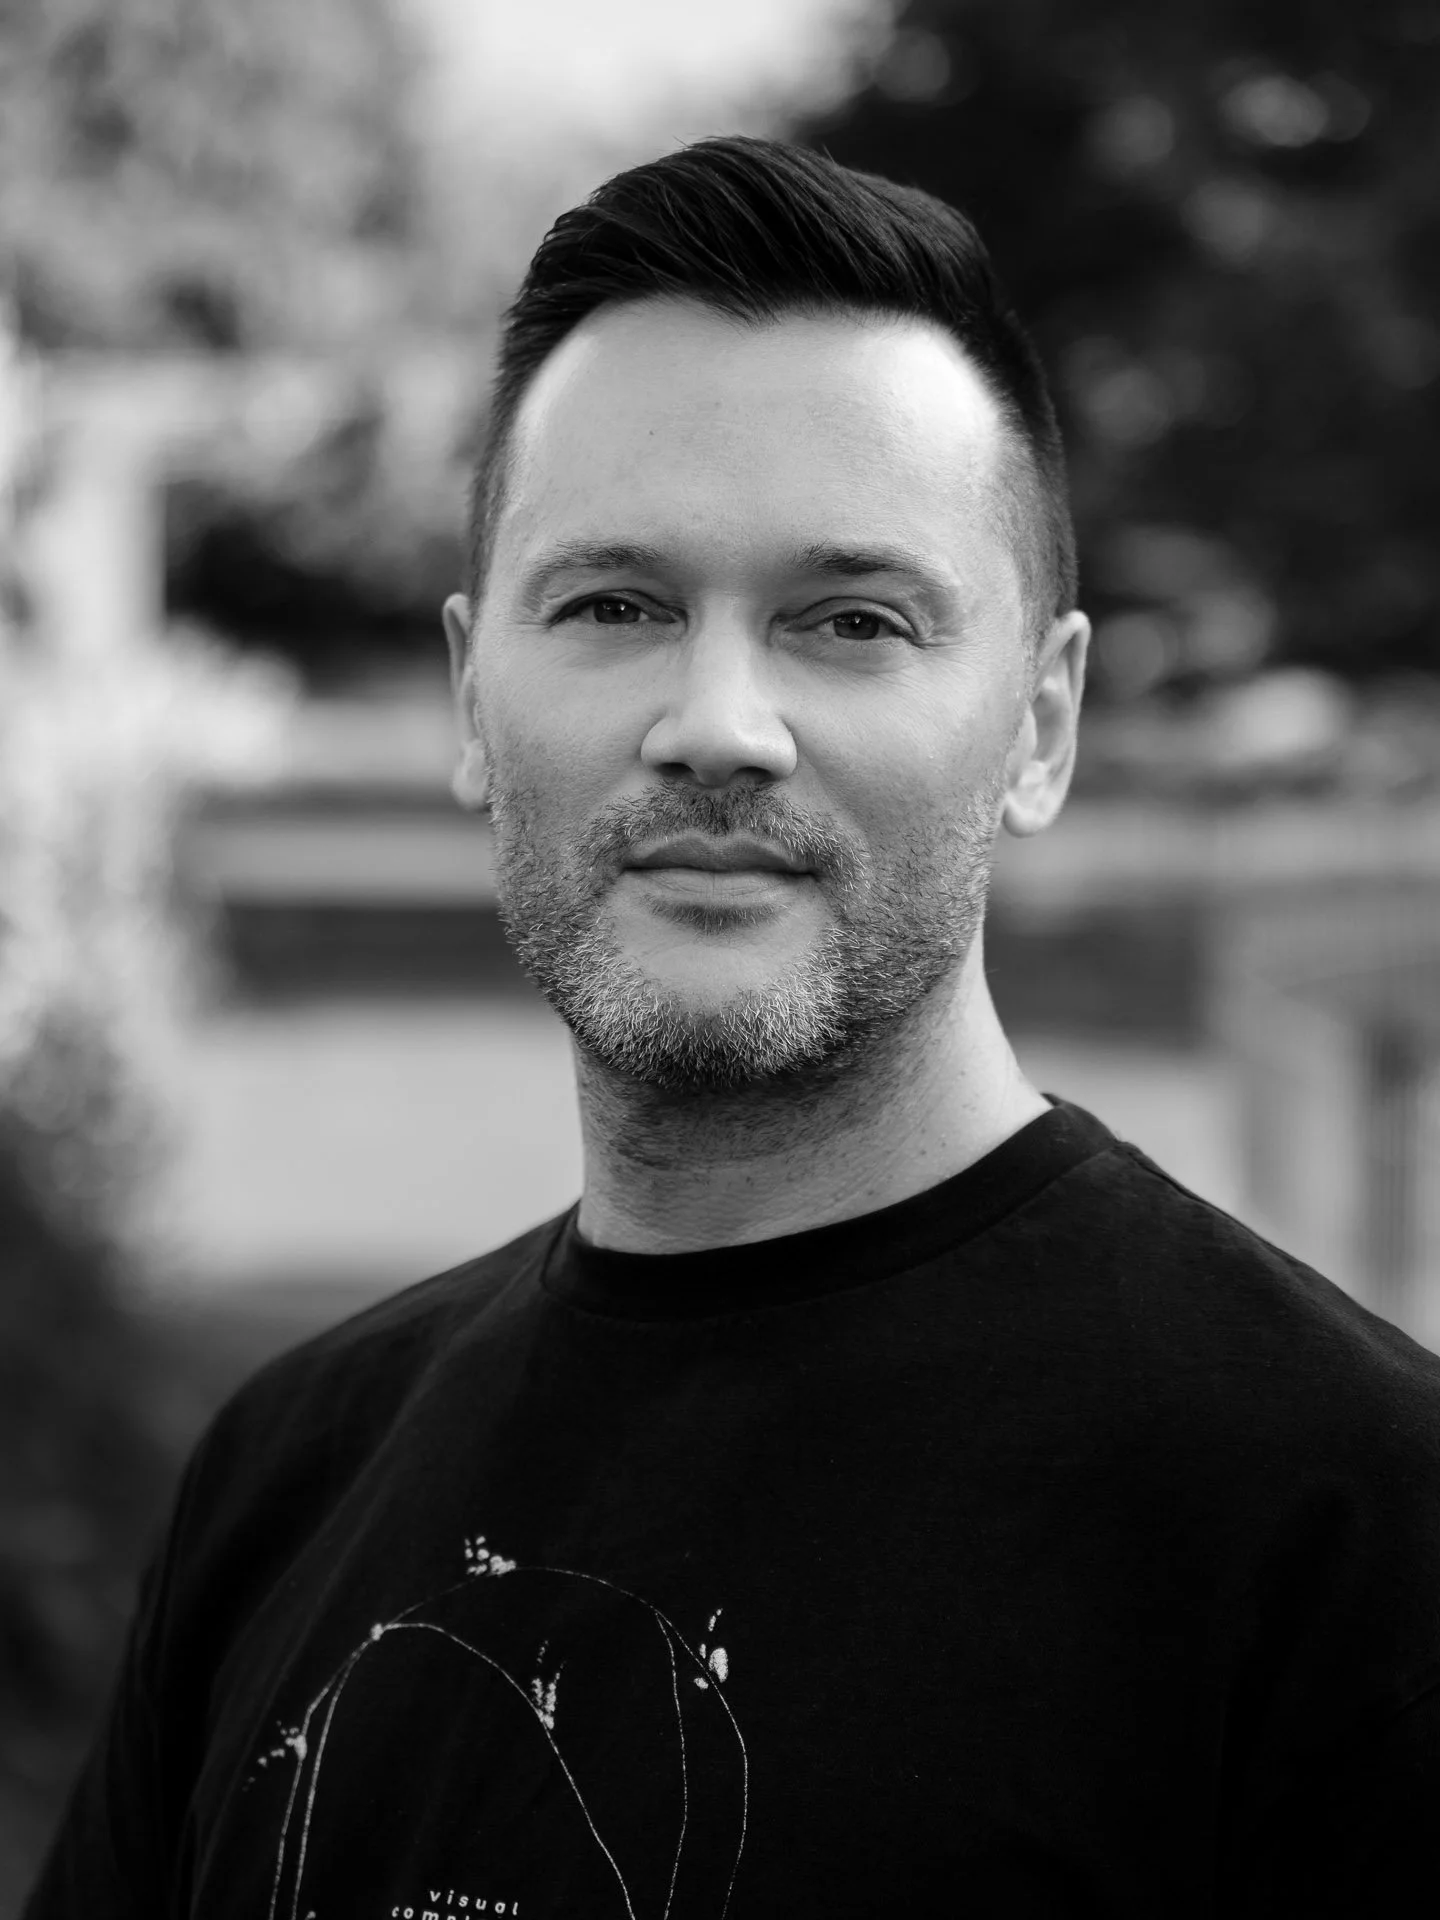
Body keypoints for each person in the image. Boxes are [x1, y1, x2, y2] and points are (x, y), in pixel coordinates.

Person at [26, 136, 1440, 1920]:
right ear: (476, 692)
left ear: (1043, 723)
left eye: (850, 621)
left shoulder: (1358, 1541)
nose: (719, 723)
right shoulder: (285, 1478)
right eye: (615, 607)